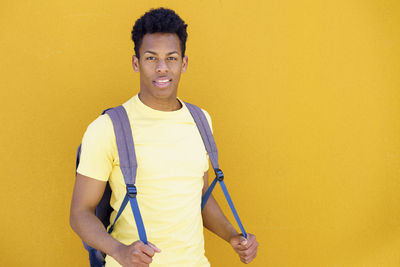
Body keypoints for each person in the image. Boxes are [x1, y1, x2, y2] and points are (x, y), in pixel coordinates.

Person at [70, 7, 258, 267]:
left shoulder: (201, 120)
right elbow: (80, 213)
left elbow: (199, 195)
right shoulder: (107, 127)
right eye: (150, 58)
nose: (161, 68)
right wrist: (120, 251)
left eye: (171, 58)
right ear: (136, 63)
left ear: (184, 63)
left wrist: (232, 236)